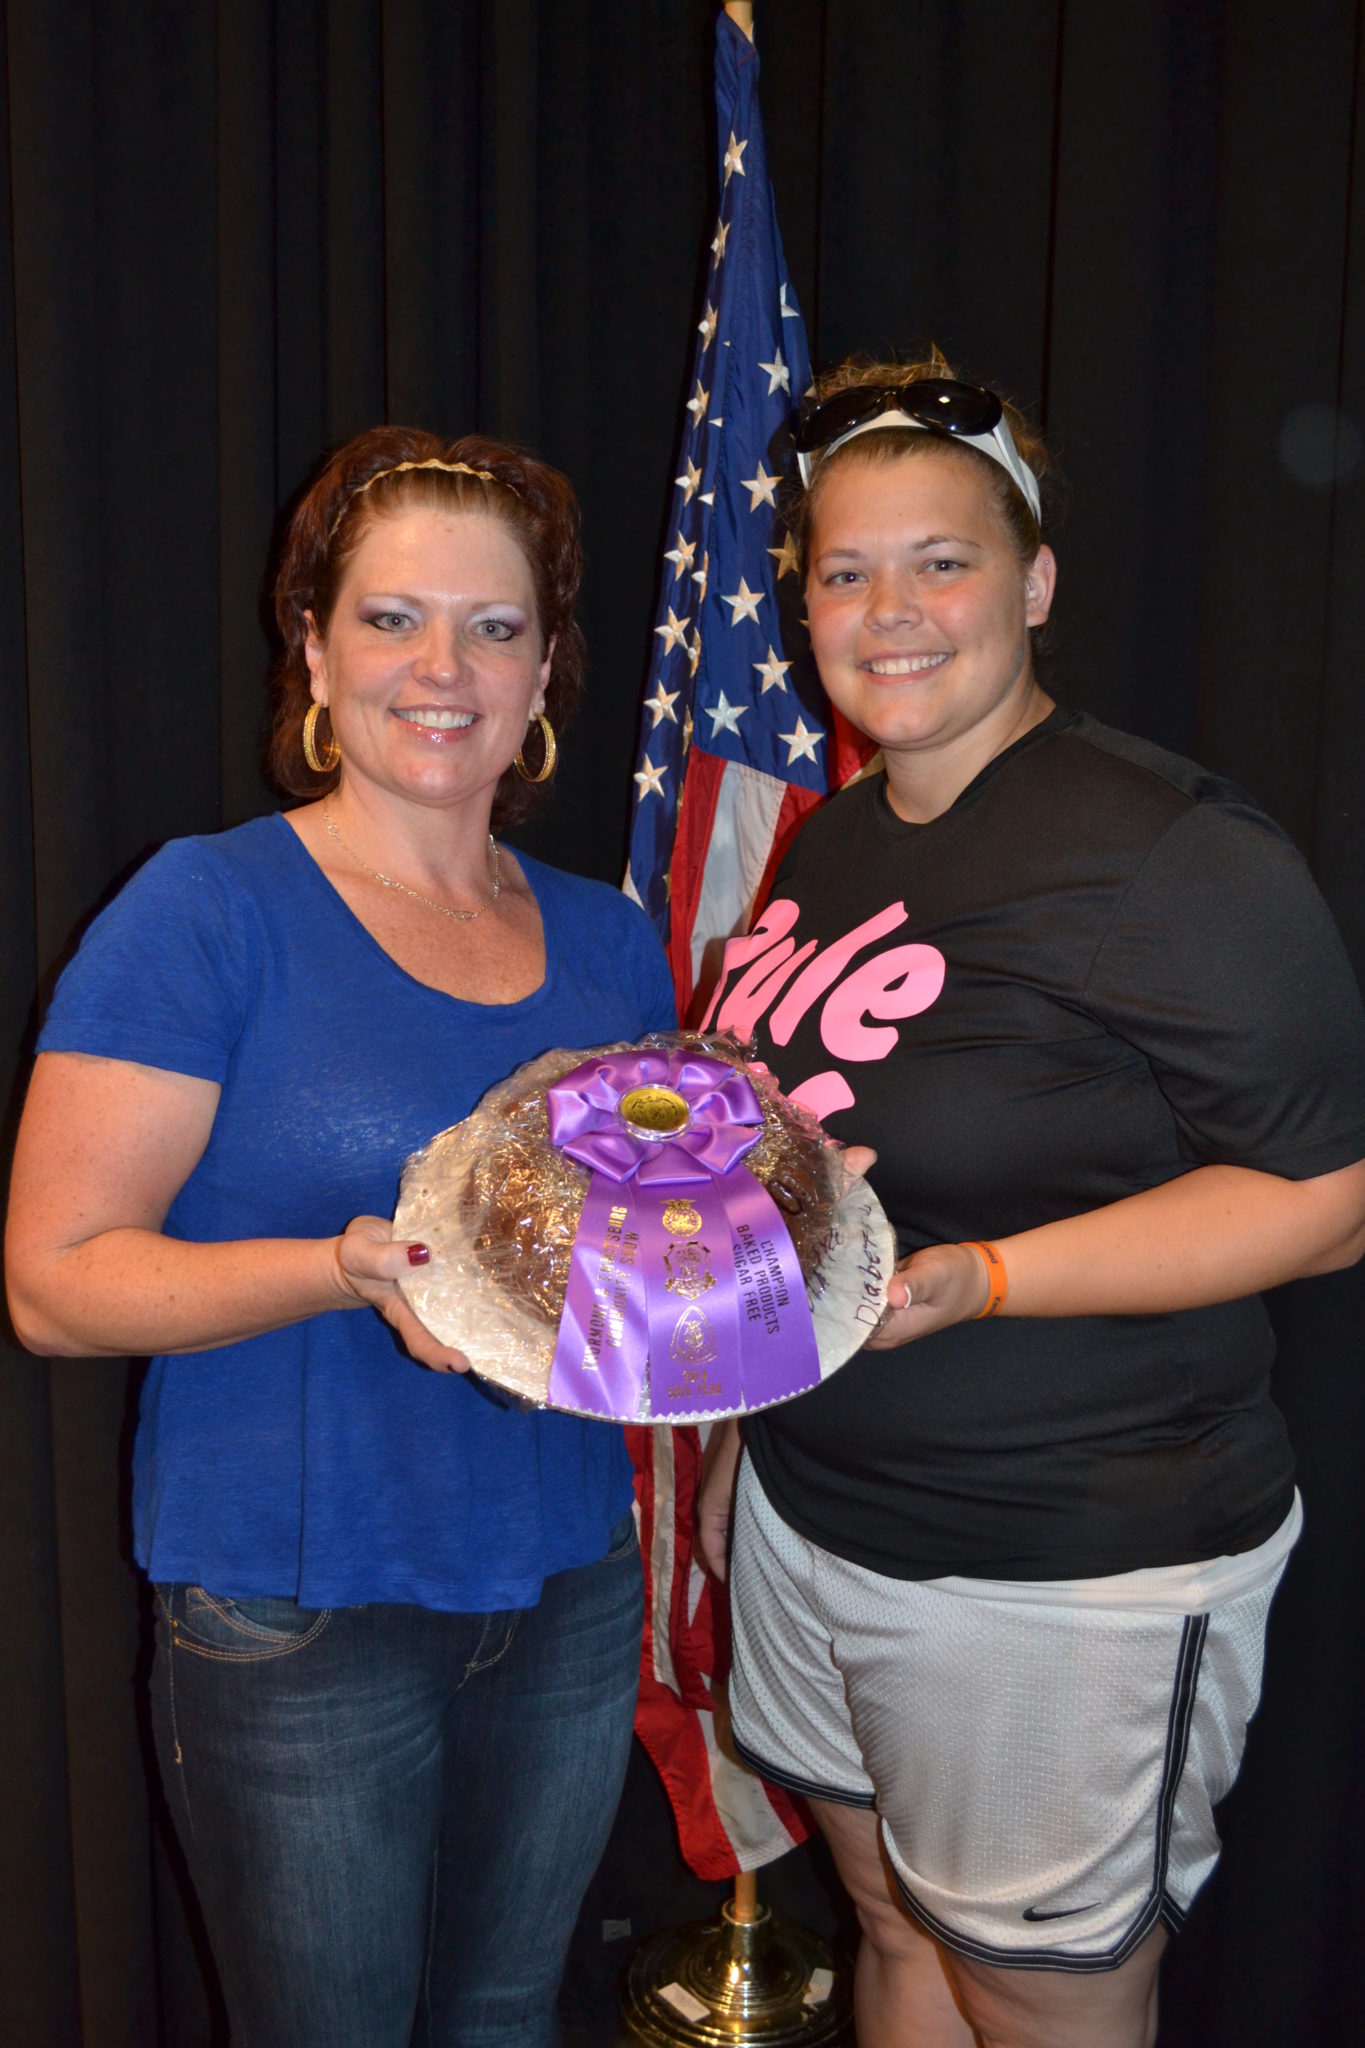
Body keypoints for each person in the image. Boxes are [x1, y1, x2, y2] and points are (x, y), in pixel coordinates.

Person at [695, 355, 1365, 2048]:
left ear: (1036, 580)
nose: (889, 609)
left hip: (1060, 1567)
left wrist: (976, 1279)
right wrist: (731, 1456)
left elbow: (1328, 1200)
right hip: (812, 1516)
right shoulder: (835, 842)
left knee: (1038, 1998)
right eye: (845, 571)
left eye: (943, 560)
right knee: (891, 1932)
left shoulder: (1170, 853)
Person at [5, 426, 676, 2048]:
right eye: (391, 618)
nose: (441, 667)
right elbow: (55, 1284)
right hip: (299, 1599)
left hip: (570, 1575)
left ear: (542, 675)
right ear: (313, 647)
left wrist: (767, 1251)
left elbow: (622, 1268)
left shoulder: (612, 940)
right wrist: (341, 1268)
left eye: (494, 626)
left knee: (509, 2018)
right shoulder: (204, 909)